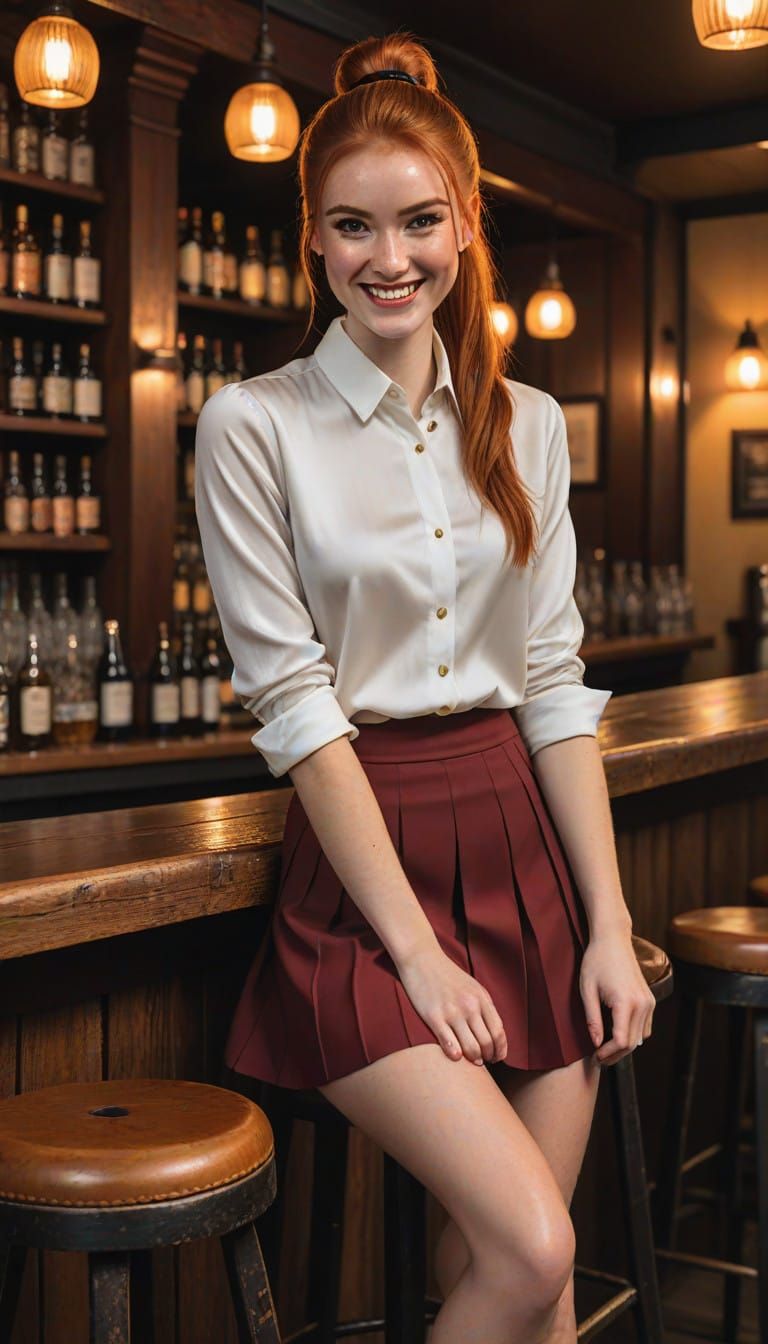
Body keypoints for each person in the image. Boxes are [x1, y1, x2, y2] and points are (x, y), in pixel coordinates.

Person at [194, 30, 657, 1344]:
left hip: (526, 851)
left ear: (465, 229)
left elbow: (555, 689)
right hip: (362, 883)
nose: (386, 258)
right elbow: (300, 718)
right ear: (314, 243)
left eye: (417, 222)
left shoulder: (534, 425)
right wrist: (412, 952)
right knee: (534, 1244)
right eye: (352, 226)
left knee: (520, 1274)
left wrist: (610, 927)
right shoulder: (255, 426)